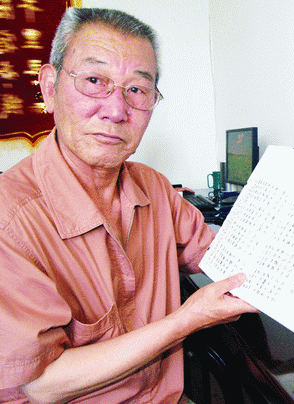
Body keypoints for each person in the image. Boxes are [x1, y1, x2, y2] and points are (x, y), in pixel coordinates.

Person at [0, 7, 257, 403]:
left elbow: (218, 255)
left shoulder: (153, 187)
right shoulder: (11, 218)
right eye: (94, 81)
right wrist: (187, 320)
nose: (117, 111)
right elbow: (42, 384)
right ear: (50, 88)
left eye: (137, 90)